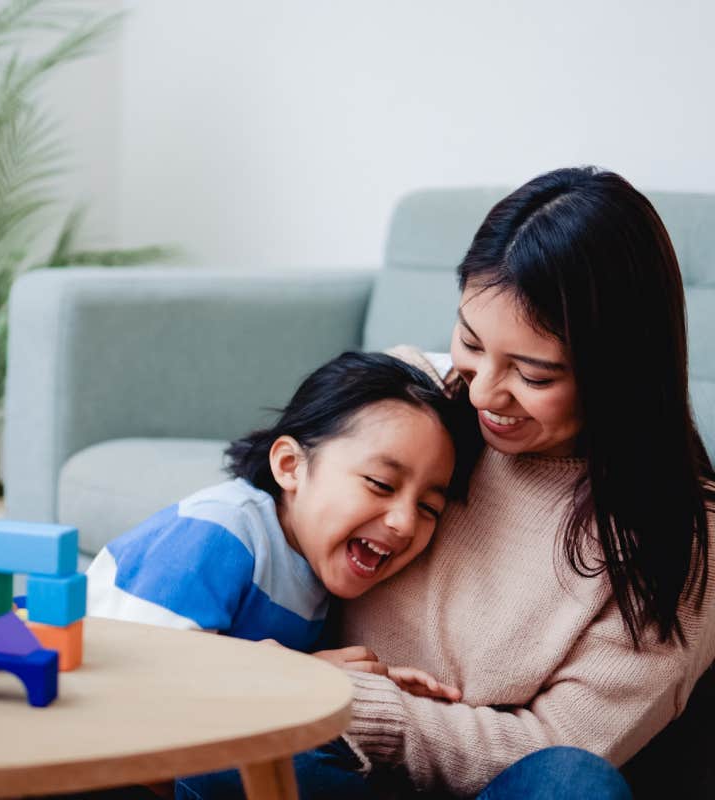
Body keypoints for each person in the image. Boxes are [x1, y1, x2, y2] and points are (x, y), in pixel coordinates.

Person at [322, 166, 715, 798]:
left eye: (533, 377)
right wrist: (281, 683)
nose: (480, 391)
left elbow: (561, 748)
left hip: (491, 785)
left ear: (619, 374)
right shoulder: (410, 405)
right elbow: (260, 516)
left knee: (574, 783)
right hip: (330, 763)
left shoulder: (676, 534)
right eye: (470, 343)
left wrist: (360, 707)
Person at [87, 350, 480, 692]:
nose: (405, 523)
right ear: (290, 466)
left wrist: (372, 682)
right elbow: (142, 673)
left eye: (429, 508)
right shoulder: (221, 531)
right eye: (380, 484)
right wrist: (304, 673)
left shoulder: (311, 573)